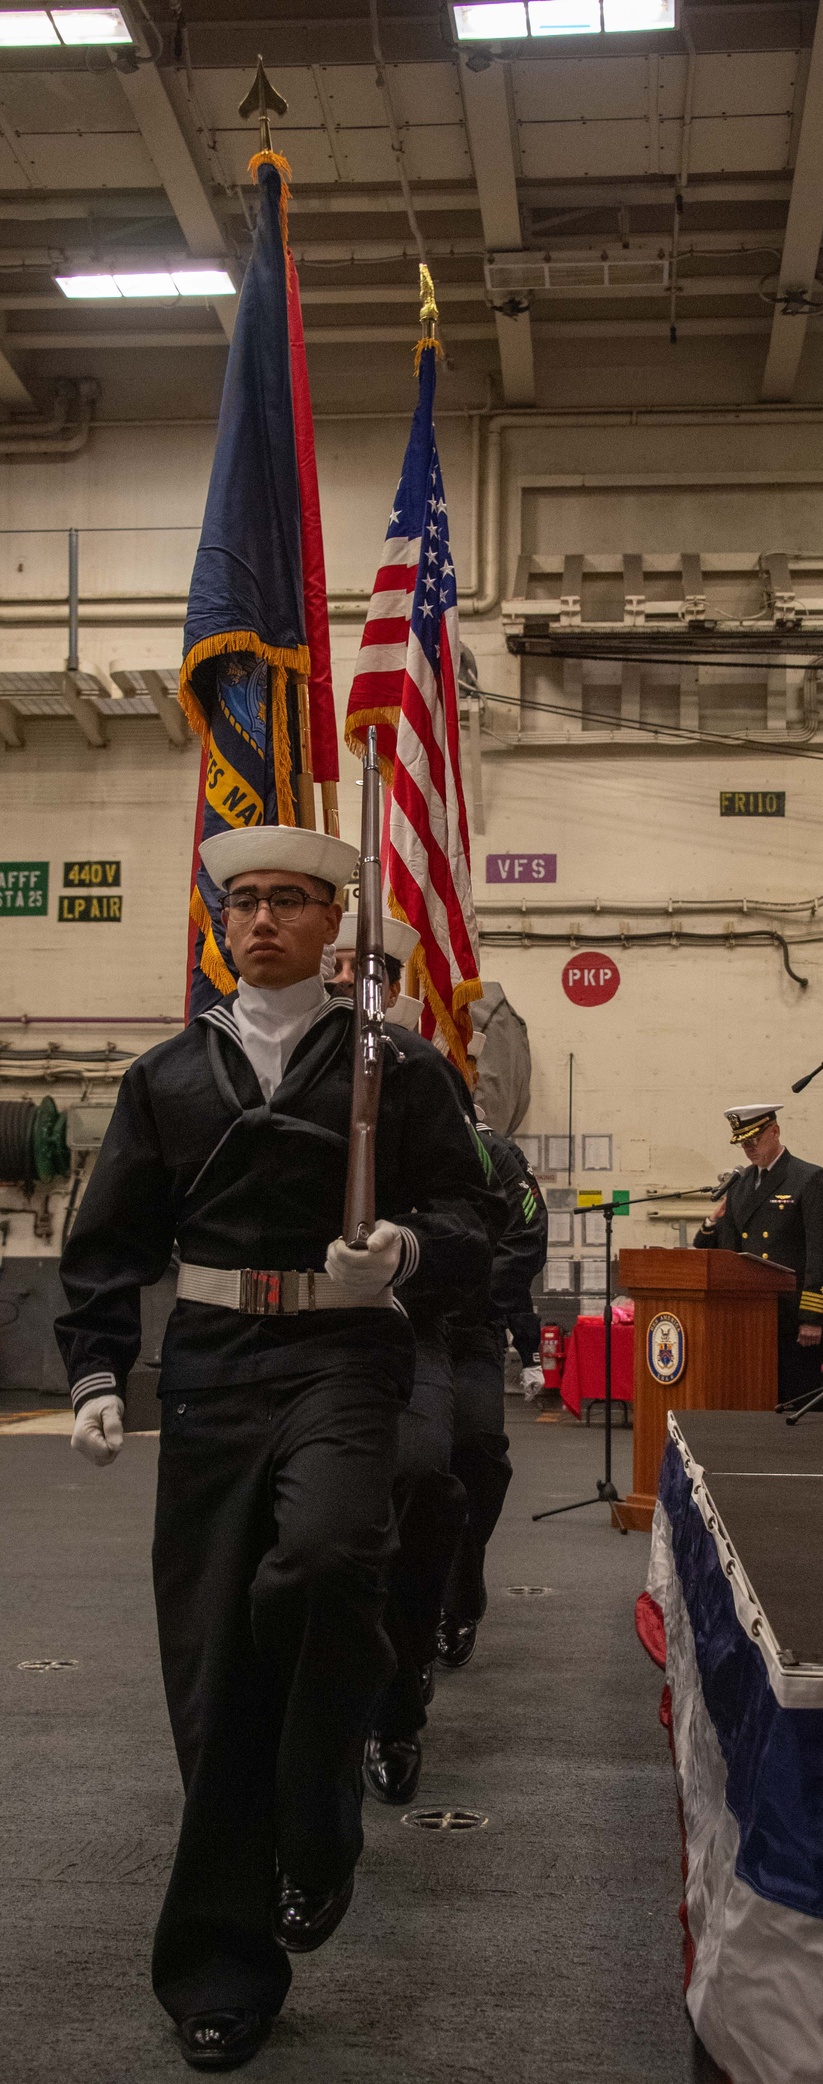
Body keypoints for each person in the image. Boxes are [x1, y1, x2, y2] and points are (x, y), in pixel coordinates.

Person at [55, 824, 503, 2075]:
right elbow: (108, 1242)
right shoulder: (165, 1076)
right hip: (209, 1363)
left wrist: (408, 1249)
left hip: (343, 1354)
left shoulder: (397, 1067)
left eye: (289, 901)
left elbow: (475, 1214)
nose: (260, 920)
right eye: (242, 901)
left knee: (317, 1562)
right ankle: (222, 1962)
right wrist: (96, 1365)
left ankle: (318, 1817)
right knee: (211, 1673)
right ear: (221, 922)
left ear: (330, 922)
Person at [327, 910, 473, 1806]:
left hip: (409, 1325)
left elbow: (468, 1225)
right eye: (340, 965)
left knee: (421, 1480)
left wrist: (405, 1254)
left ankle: (396, 1702)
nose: (348, 981)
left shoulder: (420, 1079)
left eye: (364, 966)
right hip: (300, 1337)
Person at [437, 1064, 548, 1670]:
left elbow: (527, 1237)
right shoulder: (399, 1149)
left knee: (479, 1454)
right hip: (399, 1330)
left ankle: (462, 1587)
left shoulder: (497, 1157)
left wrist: (468, 1291)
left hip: (472, 1330)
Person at [693, 1103, 823, 1409]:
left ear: (775, 1131)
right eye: (743, 1143)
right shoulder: (740, 1183)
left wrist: (812, 1317)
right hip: (749, 1314)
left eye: (754, 1141)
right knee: (753, 1399)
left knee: (794, 1398)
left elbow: (821, 1252)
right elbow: (727, 1249)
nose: (748, 1149)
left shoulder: (809, 1178)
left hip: (791, 1315)